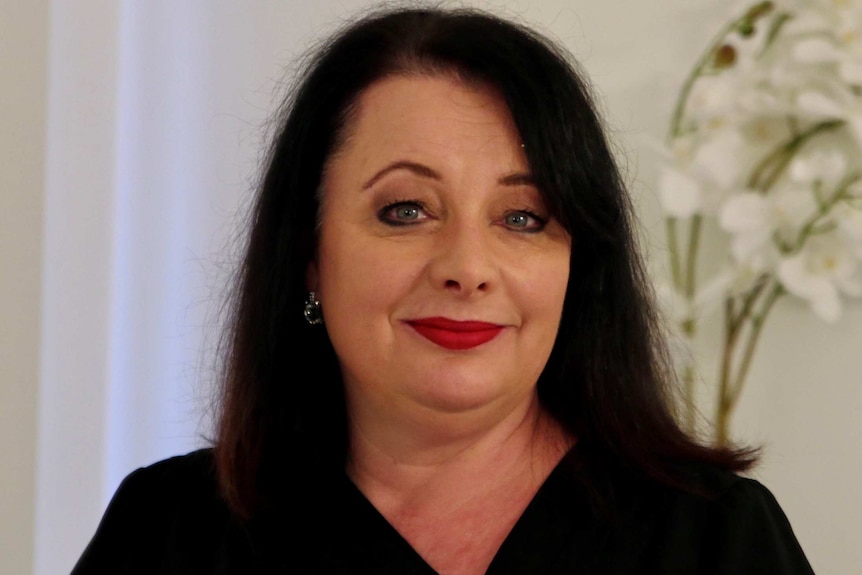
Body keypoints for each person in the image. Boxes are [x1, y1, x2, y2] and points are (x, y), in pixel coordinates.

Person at [72, 6, 814, 574]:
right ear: (309, 254)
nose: (468, 265)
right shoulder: (168, 530)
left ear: (577, 264)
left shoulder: (717, 538)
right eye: (406, 211)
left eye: (523, 217)